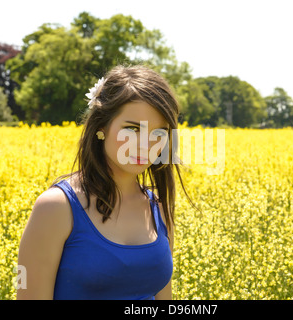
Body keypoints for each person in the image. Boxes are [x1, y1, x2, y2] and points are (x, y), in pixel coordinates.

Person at [17, 65, 197, 300]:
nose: (146, 144)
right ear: (102, 127)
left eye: (159, 133)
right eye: (132, 129)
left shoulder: (159, 207)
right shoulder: (55, 208)